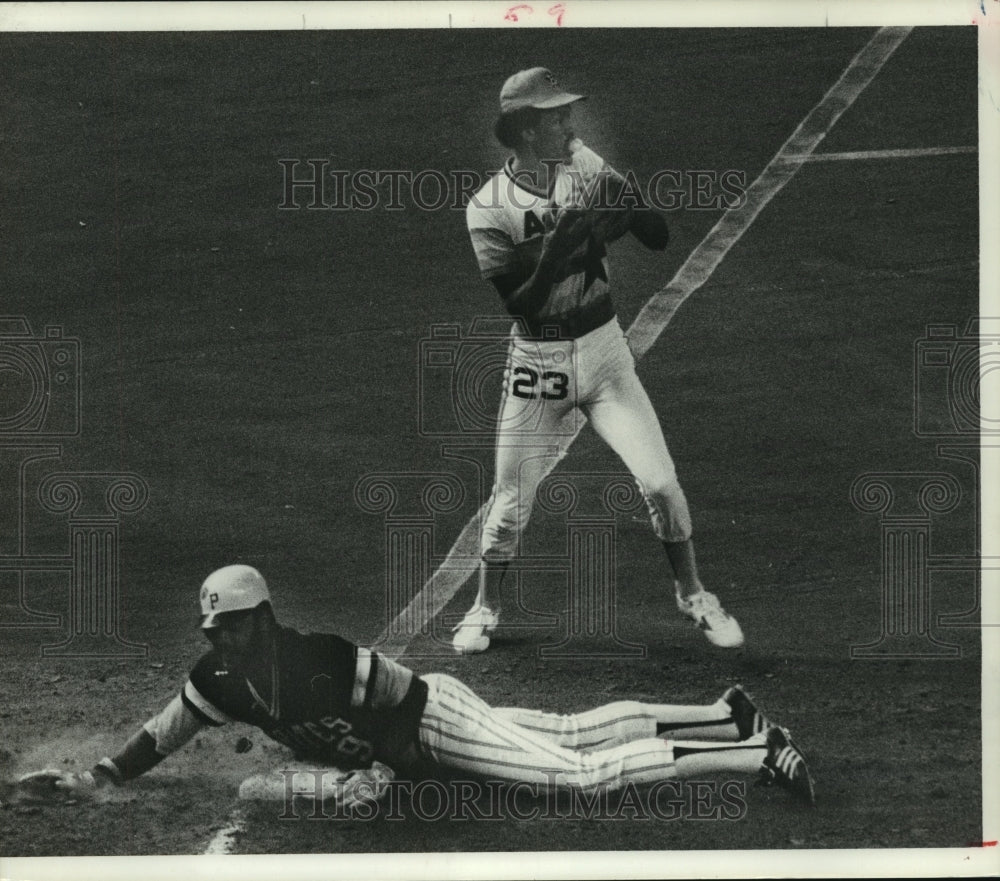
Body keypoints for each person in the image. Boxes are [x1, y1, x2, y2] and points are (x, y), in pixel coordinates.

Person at [22, 566, 814, 807]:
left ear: (260, 617)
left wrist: (388, 766)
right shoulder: (219, 678)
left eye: (226, 626)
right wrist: (99, 775)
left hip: (437, 719)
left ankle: (756, 753)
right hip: (421, 736)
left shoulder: (318, 656)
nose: (215, 639)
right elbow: (163, 733)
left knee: (580, 776)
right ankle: (724, 713)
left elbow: (404, 697)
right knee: (573, 730)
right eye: (210, 630)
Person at [452, 67, 743, 655]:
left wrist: (627, 206)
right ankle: (485, 607)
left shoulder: (585, 165)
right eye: (557, 116)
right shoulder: (487, 208)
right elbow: (522, 306)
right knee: (510, 505)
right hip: (539, 367)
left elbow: (658, 236)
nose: (569, 124)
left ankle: (693, 594)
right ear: (527, 130)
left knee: (661, 484)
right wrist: (559, 250)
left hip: (606, 353)